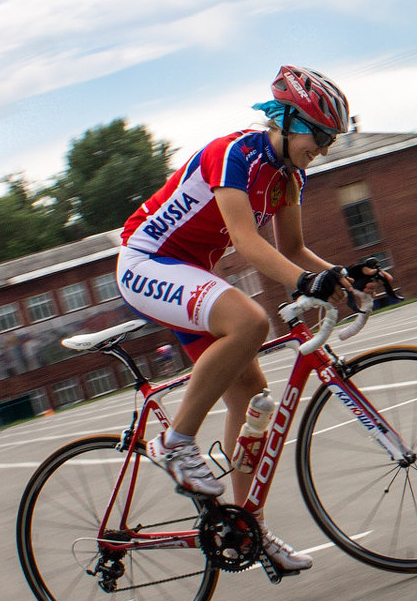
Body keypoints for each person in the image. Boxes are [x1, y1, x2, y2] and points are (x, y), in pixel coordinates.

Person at [117, 65, 363, 573]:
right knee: (250, 321)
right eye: (317, 133)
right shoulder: (234, 154)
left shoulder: (290, 176)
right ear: (288, 120)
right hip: (146, 262)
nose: (323, 145)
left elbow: (293, 249)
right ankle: (174, 443)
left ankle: (248, 528)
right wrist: (304, 284)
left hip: (187, 276)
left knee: (255, 402)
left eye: (331, 138)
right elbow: (249, 244)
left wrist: (342, 278)